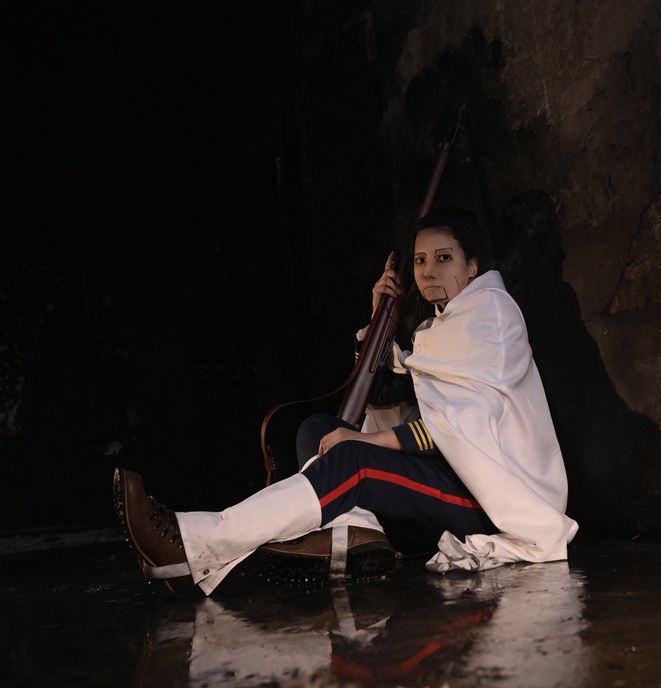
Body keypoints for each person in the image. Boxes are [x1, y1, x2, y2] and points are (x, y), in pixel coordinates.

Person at [114, 206, 578, 597]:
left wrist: (365, 442)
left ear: (472, 265)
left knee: (353, 459)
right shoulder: (440, 326)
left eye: (444, 258)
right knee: (318, 430)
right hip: (445, 480)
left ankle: (192, 545)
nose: (428, 271)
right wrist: (378, 322)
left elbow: (457, 426)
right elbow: (386, 394)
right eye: (420, 260)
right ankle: (354, 532)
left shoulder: (491, 315)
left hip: (484, 503)